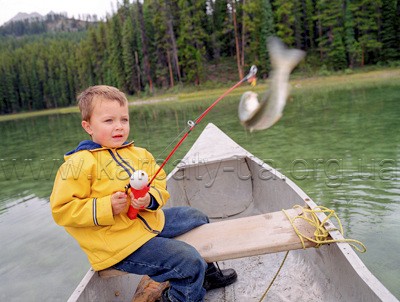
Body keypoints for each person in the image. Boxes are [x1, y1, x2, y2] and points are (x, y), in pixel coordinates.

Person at [50, 85, 237, 302]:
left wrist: (149, 200)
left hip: (149, 223)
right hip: (119, 246)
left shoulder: (139, 154)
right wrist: (106, 206)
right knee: (188, 261)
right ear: (88, 126)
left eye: (124, 120)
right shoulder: (79, 163)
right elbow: (62, 211)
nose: (118, 127)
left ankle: (207, 276)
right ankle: (177, 297)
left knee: (197, 217)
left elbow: (158, 182)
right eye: (109, 121)